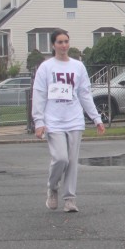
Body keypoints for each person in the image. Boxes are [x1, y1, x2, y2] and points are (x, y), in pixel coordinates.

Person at [32, 29, 105, 212]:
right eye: (60, 42)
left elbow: (84, 94)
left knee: (72, 161)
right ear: (53, 45)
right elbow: (39, 95)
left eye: (66, 41)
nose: (63, 45)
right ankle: (52, 187)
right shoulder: (46, 67)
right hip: (53, 120)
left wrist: (96, 118)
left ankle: (70, 199)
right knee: (60, 158)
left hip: (74, 119)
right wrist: (39, 121)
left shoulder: (78, 66)